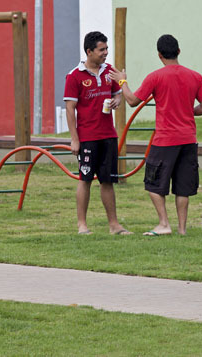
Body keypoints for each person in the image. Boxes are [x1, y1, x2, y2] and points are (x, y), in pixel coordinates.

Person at [108, 34, 202, 236]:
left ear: (159, 55)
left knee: (153, 183)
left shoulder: (155, 77)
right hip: (189, 139)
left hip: (165, 139)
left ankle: (164, 223)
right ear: (179, 51)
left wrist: (122, 82)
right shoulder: (195, 76)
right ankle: (182, 229)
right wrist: (189, 112)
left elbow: (131, 101)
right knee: (183, 187)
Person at [63, 31, 132, 235]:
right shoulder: (74, 76)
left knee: (108, 180)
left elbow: (118, 96)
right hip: (87, 138)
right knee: (85, 179)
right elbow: (70, 109)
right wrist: (75, 140)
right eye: (101, 49)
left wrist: (116, 101)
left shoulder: (109, 71)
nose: (105, 53)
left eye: (106, 49)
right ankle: (82, 225)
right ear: (89, 51)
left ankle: (114, 225)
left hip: (108, 135)